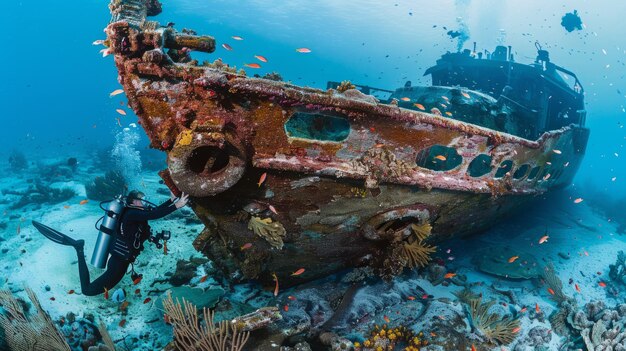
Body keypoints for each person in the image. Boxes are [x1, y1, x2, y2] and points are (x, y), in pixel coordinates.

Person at [32, 190, 189, 296]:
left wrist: (171, 200)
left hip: (120, 260)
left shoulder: (134, 213)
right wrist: (177, 205)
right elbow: (155, 215)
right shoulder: (132, 214)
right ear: (133, 202)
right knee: (87, 290)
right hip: (118, 262)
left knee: (99, 286)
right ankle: (78, 248)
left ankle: (79, 248)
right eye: (141, 200)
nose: (144, 203)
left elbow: (153, 212)